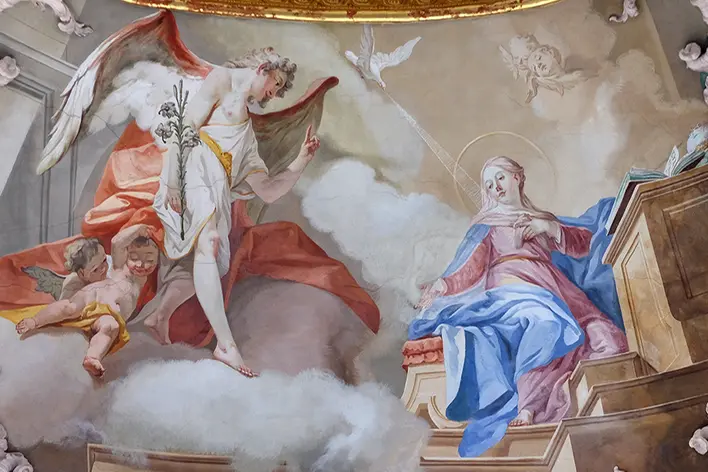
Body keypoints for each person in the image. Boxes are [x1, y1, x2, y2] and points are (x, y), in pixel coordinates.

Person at [411, 156, 628, 456]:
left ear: (518, 177)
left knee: (608, 338)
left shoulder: (539, 218)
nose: (495, 188)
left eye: (500, 178)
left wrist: (549, 227)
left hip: (557, 291)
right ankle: (530, 406)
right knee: (545, 323)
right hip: (512, 290)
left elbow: (581, 245)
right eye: (489, 185)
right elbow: (471, 268)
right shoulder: (487, 225)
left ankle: (584, 402)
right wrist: (443, 285)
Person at [146, 48, 320, 378]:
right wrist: (172, 181)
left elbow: (268, 190)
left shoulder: (248, 140)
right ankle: (226, 345)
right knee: (209, 242)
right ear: (264, 68)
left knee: (209, 258)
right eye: (276, 84)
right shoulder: (222, 79)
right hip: (194, 167)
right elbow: (184, 128)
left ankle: (161, 315)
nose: (273, 94)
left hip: (218, 189)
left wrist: (300, 162)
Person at [12, 227, 159, 378]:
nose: (141, 264)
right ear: (127, 255)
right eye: (134, 258)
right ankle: (35, 321)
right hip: (93, 295)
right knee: (68, 308)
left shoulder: (138, 279)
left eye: (149, 260)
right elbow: (117, 241)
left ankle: (92, 358)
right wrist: (139, 229)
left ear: (157, 261)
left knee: (110, 327)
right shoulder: (120, 267)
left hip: (107, 315)